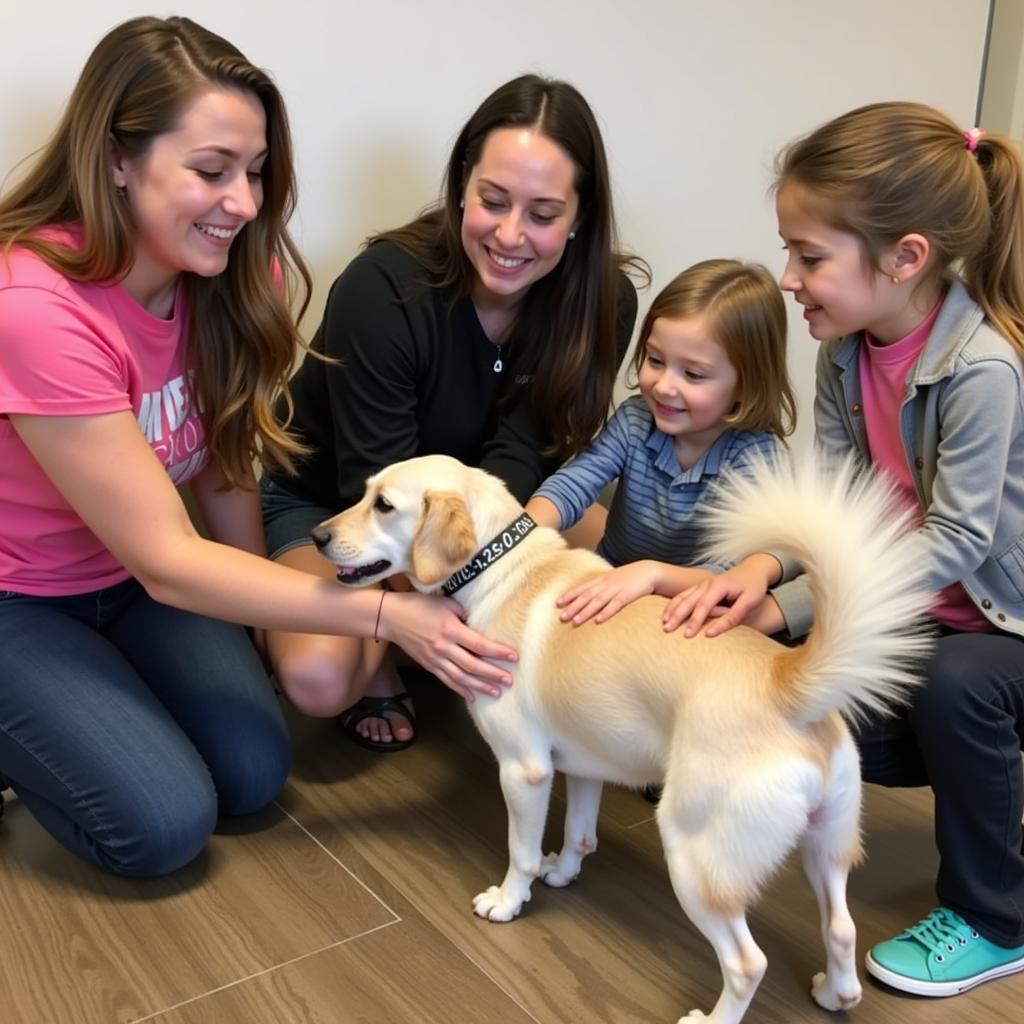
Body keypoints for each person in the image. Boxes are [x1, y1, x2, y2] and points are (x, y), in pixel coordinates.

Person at [0, 15, 515, 879]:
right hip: (21, 598)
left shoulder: (232, 276)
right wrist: (387, 616)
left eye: (256, 171)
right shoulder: (36, 305)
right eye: (211, 171)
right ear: (118, 160)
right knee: (162, 826)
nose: (242, 202)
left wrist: (261, 619)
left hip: (125, 587)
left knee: (252, 772)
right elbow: (169, 560)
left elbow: (223, 461)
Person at [669, 102, 1024, 997]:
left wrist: (800, 602)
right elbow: (835, 513)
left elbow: (954, 540)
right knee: (792, 688)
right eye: (789, 250)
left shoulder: (982, 370)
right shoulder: (844, 354)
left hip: (998, 627)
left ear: (905, 258)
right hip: (920, 612)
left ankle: (996, 915)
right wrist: (761, 578)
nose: (788, 278)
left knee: (955, 690)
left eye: (811, 257)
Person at [261, 74, 643, 751]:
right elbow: (371, 476)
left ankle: (432, 640)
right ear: (463, 183)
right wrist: (442, 597)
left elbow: (528, 455)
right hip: (340, 503)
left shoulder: (603, 301)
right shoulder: (381, 287)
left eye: (544, 214)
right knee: (321, 678)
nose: (510, 234)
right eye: (492, 201)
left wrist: (471, 572)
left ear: (580, 215)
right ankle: (384, 635)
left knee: (619, 583)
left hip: (492, 506)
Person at [524, 258, 795, 630]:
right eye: (655, 360)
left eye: (693, 374)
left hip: (688, 607)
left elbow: (732, 573)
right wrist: (522, 531)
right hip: (611, 577)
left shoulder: (756, 456)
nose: (664, 386)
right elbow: (575, 481)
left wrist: (652, 576)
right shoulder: (636, 419)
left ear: (746, 384)